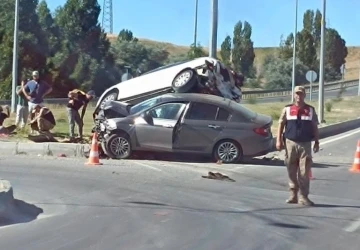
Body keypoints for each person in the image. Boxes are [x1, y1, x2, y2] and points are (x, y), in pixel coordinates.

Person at [276, 86, 320, 206]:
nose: (298, 96)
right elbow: (280, 125)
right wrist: (278, 140)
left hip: (305, 144)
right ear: (293, 95)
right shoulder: (287, 109)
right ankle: (293, 195)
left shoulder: (310, 110)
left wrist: (316, 141)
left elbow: (314, 126)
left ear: (304, 95)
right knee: (291, 169)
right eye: (296, 94)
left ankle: (303, 196)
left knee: (304, 171)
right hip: (290, 143)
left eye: (301, 94)